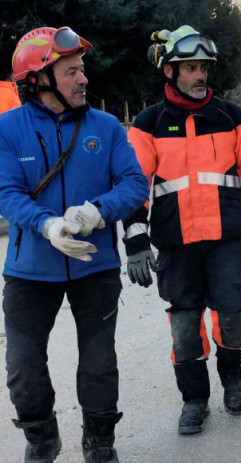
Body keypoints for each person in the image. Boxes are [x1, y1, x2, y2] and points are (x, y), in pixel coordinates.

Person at [0, 26, 149, 462]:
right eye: (71, 72)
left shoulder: (105, 127)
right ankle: (41, 438)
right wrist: (47, 226)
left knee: (99, 363)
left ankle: (100, 443)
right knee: (23, 369)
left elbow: (135, 183)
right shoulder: (8, 128)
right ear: (39, 80)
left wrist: (97, 212)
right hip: (29, 270)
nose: (83, 79)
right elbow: (7, 193)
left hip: (94, 267)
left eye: (81, 70)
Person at [124, 25, 241, 434]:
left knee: (234, 320)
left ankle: (232, 376)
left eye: (203, 68)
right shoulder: (148, 122)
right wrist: (136, 241)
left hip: (228, 242)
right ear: (170, 72)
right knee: (184, 329)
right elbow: (134, 185)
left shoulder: (231, 117)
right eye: (190, 68)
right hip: (177, 245)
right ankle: (194, 400)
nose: (199, 76)